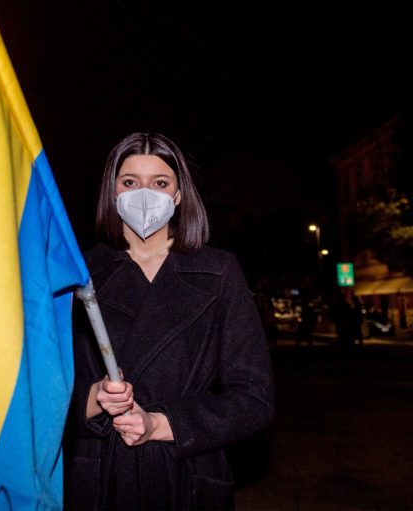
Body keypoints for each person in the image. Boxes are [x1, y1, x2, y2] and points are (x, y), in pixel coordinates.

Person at [64, 132, 275, 510]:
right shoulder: (78, 274)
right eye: (130, 182)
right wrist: (94, 398)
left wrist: (163, 424)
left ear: (178, 195)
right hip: (101, 478)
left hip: (187, 476)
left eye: (160, 183)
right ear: (112, 193)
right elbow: (45, 390)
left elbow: (255, 398)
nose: (145, 194)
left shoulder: (219, 272)